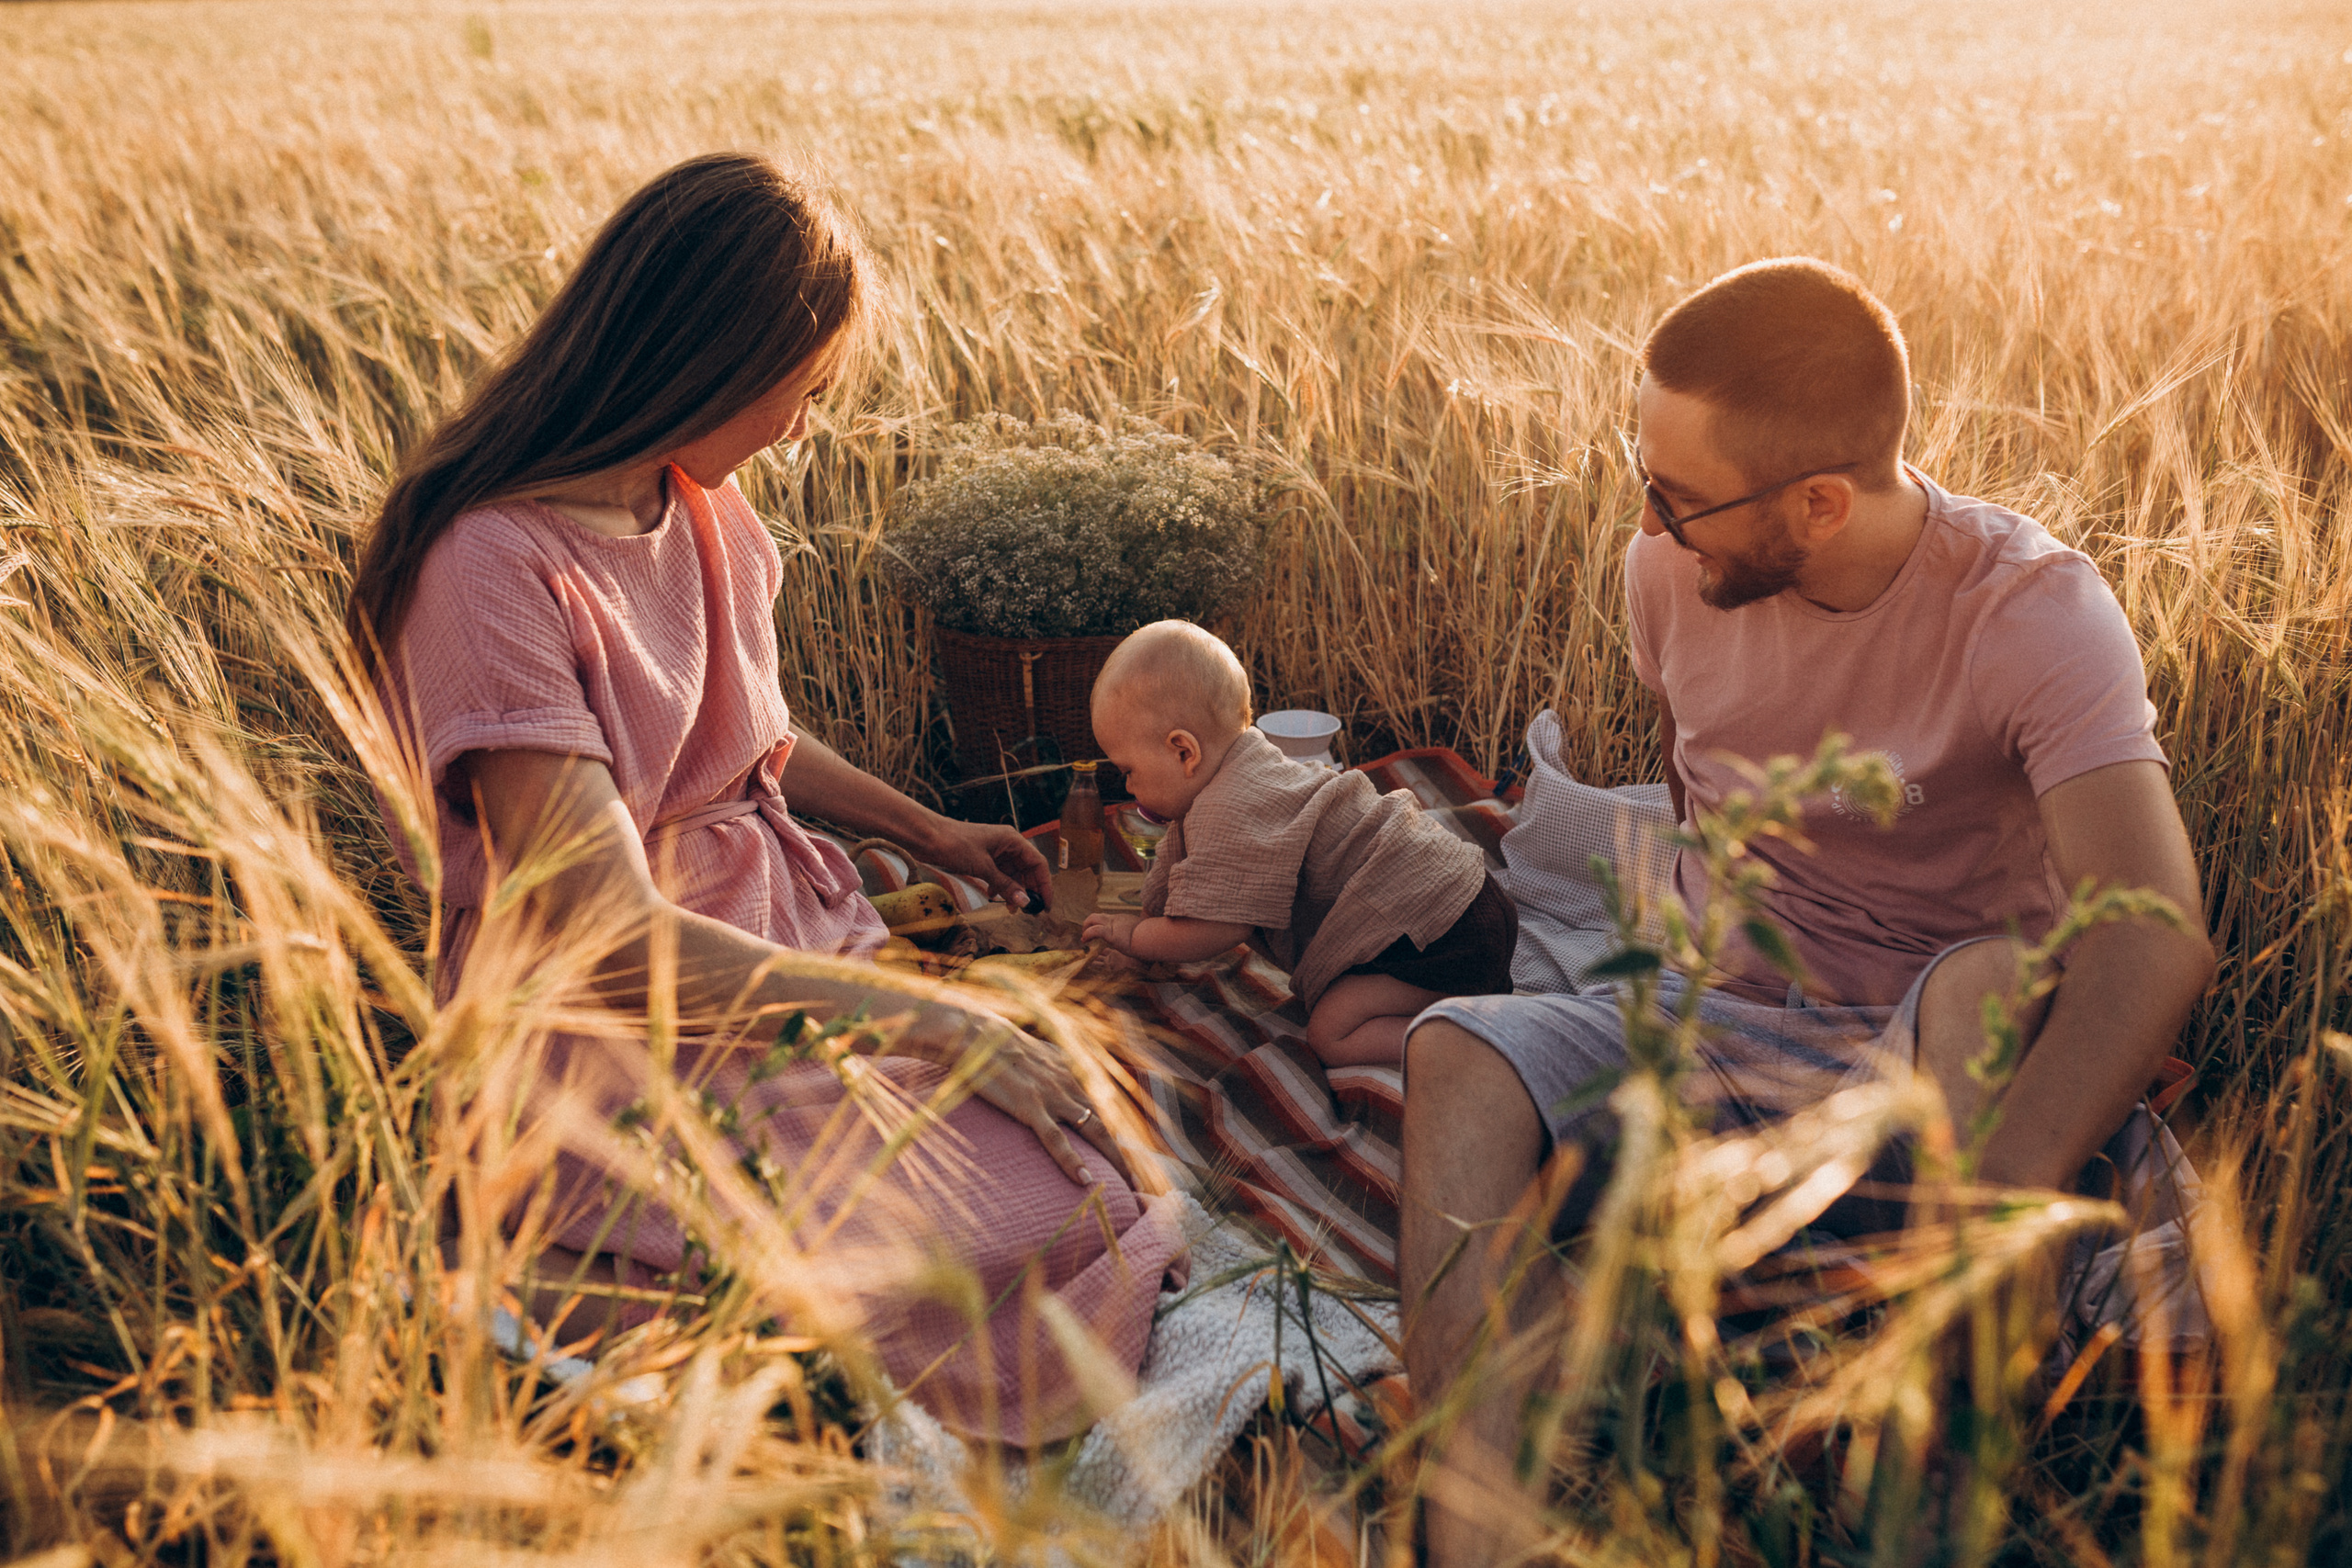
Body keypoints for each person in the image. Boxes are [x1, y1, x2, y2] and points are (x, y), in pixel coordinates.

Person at [345, 152, 1186, 1446]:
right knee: (990, 1238)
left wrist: (929, 829)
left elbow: (747, 739)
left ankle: (699, 1296)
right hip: (615, 1025)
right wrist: (935, 1022)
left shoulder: (702, 508)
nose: (803, 426)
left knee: (1095, 1175)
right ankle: (537, 1275)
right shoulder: (488, 568)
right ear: (710, 360)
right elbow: (609, 938)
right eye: (805, 388)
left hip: (780, 950)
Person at [1397, 258, 2216, 1562]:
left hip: (1934, 1056)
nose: (1649, 522)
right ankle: (1477, 1533)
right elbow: (1697, 789)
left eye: (1677, 495)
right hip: (1718, 1019)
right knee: (1455, 1050)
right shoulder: (1667, 571)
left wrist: (2000, 1197)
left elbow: (2153, 927)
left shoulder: (2030, 612)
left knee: (1982, 987)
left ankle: (1913, 1508)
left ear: (1821, 503)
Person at [1080, 621, 1517, 1066]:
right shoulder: (1244, 767)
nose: (1127, 786)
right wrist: (1141, 956)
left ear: (1183, 752)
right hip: (1463, 904)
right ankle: (1470, 998)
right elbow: (1173, 887)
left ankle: (1484, 1035)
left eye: (1128, 770)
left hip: (1439, 933)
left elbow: (1216, 927)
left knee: (1332, 1033)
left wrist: (1136, 937)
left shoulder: (1230, 808)